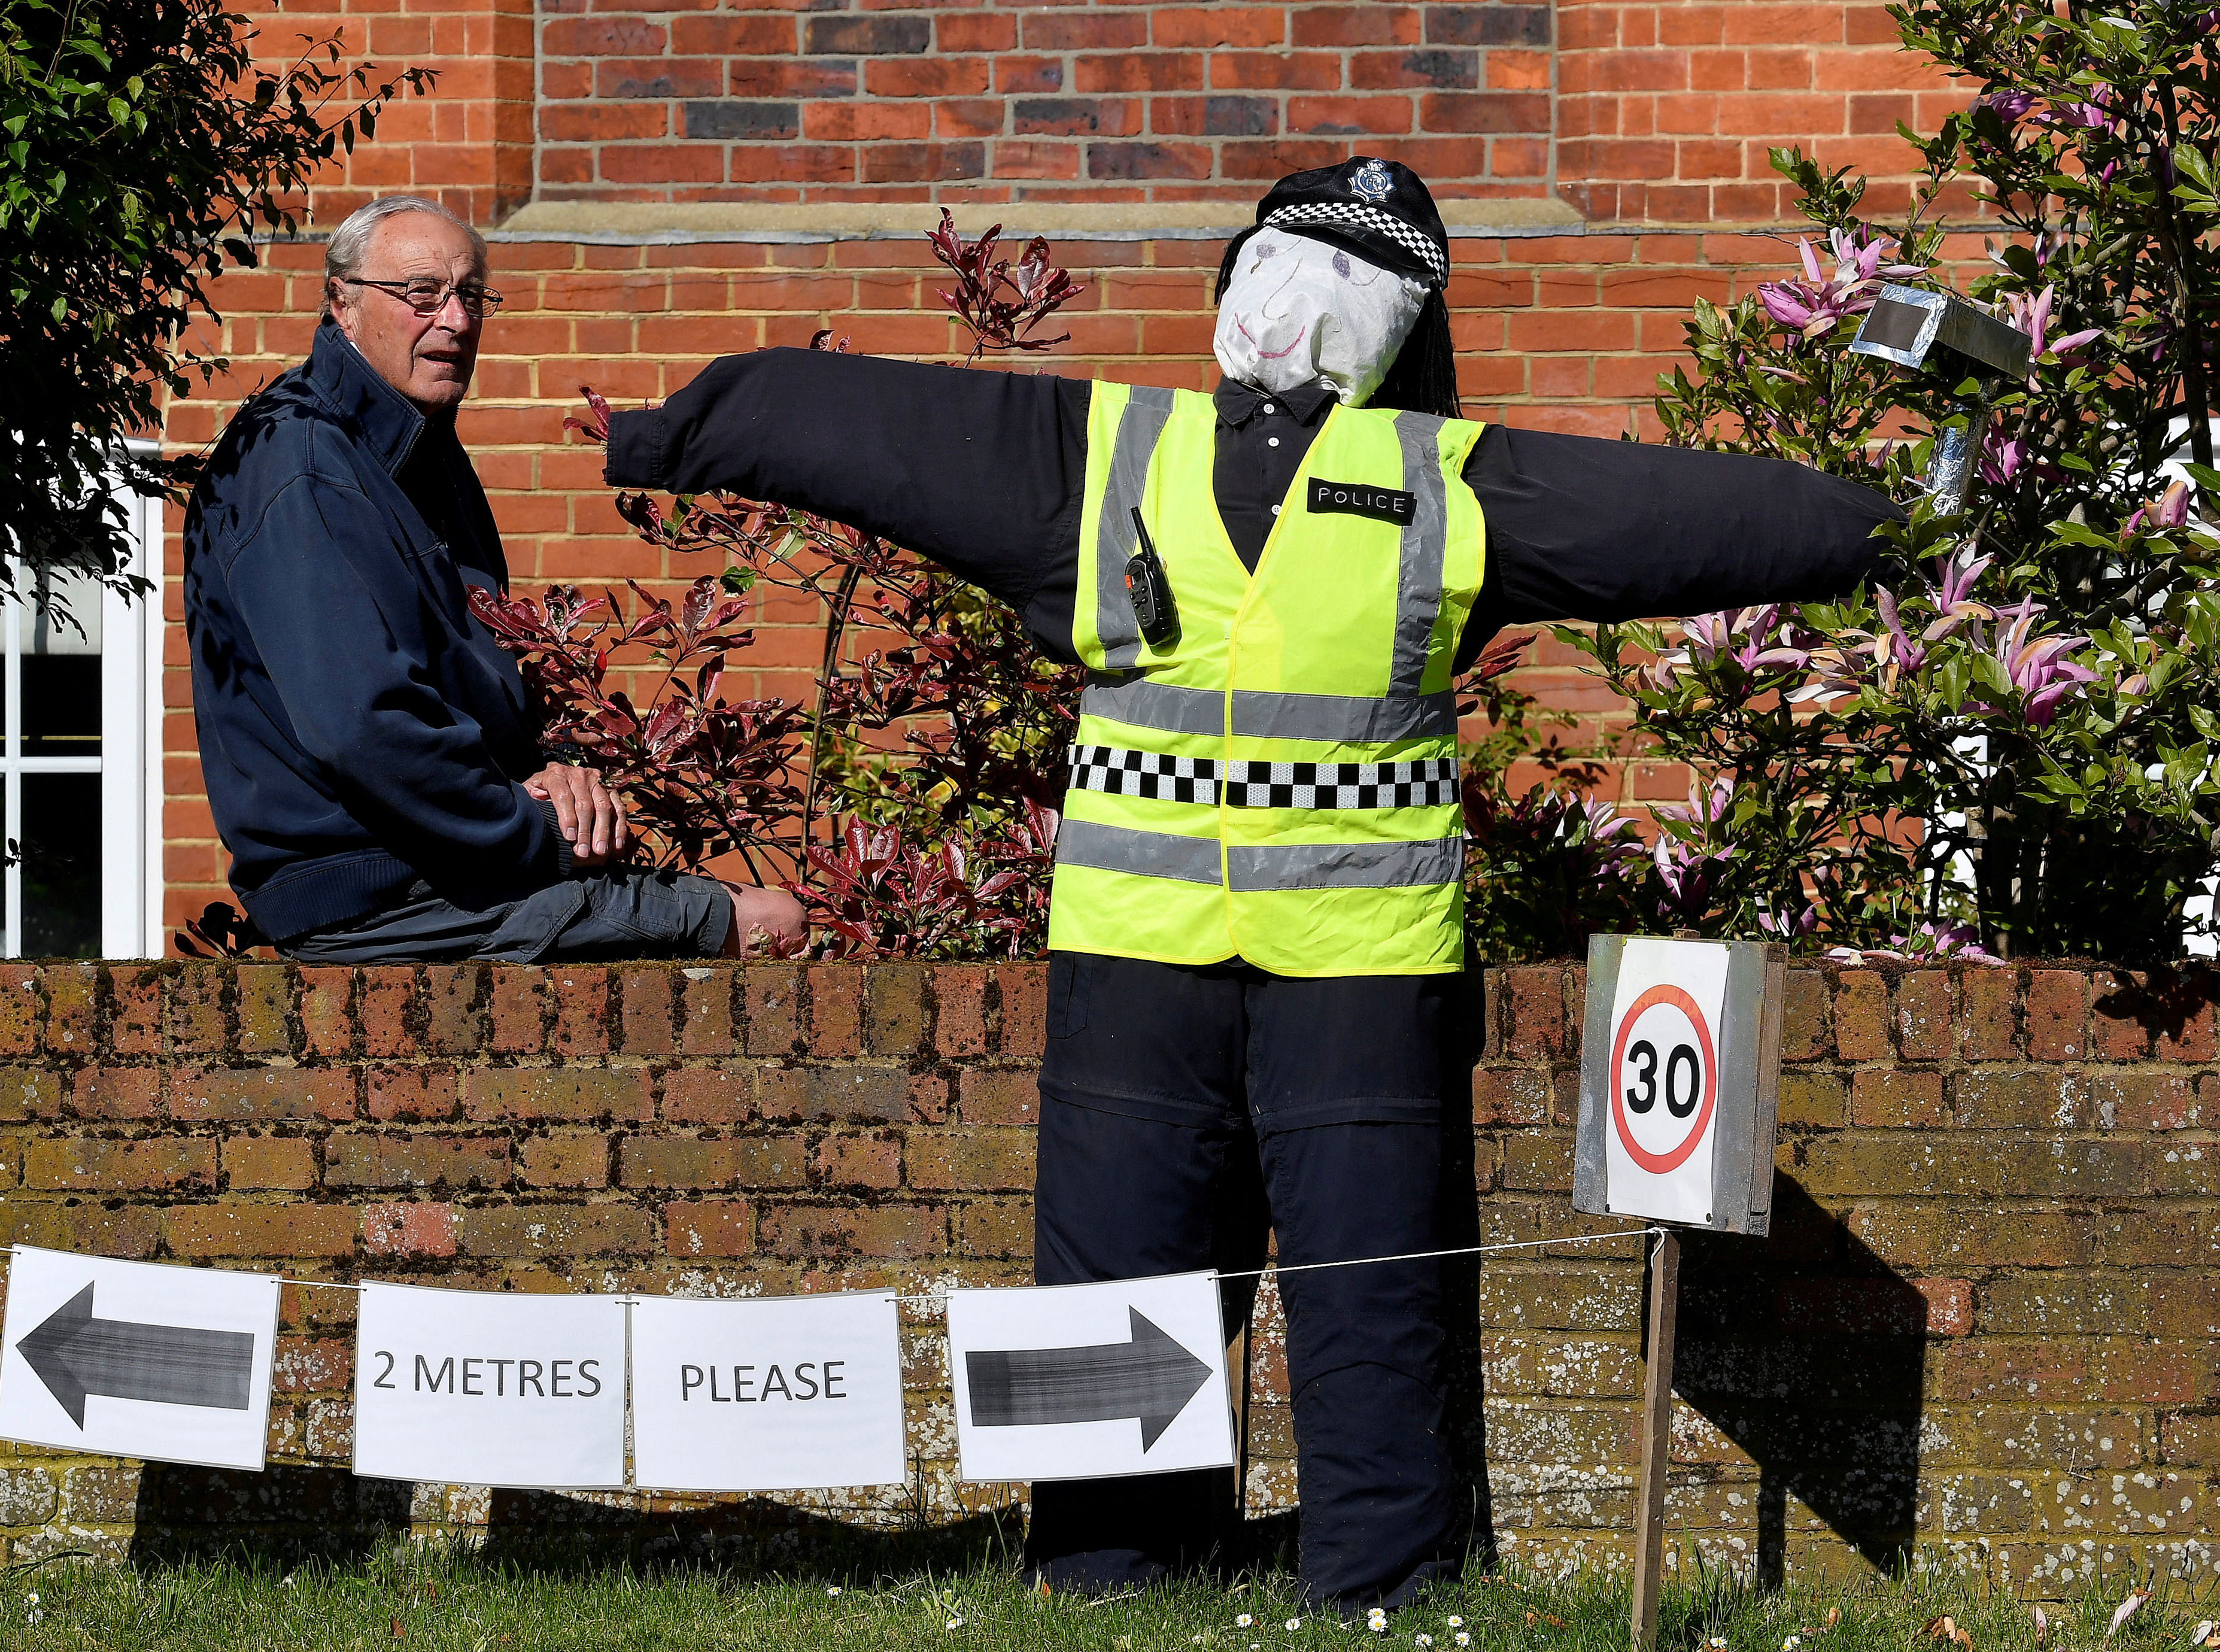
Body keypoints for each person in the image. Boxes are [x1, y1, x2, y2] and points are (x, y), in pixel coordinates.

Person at [602, 159, 1900, 1613]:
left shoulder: (1185, 460)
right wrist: (1879, 528)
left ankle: (1244, 1574)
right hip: (1256, 958)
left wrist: (674, 432)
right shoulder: (1335, 474)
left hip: (1265, 960)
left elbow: (861, 424)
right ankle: (1229, 1572)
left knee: (1258, 1271)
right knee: (1254, 1275)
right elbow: (1681, 514)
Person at [183, 195, 803, 964]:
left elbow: (474, 687)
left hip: (455, 866)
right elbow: (366, 726)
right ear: (340, 302)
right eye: (419, 293)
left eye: (471, 296)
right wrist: (534, 829)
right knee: (767, 926)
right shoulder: (301, 464)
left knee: (763, 913)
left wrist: (550, 782)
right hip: (384, 895)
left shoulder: (420, 451)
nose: (455, 320)